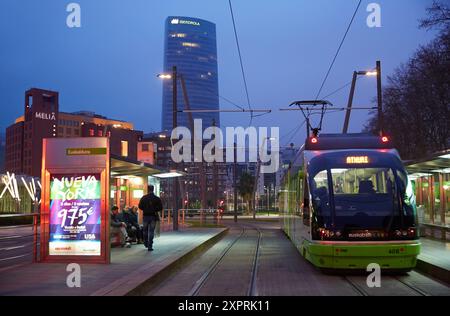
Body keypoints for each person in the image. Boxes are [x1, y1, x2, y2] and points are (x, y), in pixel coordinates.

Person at [138, 185, 162, 251]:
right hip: (153, 217)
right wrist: (154, 209)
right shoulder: (157, 198)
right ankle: (150, 246)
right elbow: (160, 207)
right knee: (151, 231)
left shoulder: (144, 198)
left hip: (145, 216)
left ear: (147, 190)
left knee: (145, 230)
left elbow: (140, 206)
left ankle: (145, 242)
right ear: (153, 189)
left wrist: (145, 209)